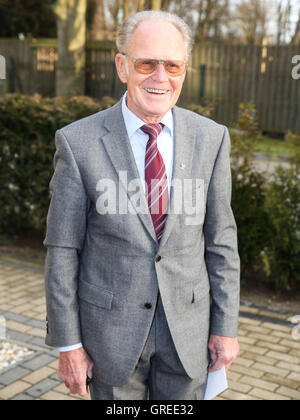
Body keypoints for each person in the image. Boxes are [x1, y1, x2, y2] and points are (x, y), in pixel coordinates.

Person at [43, 10, 240, 400]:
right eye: (147, 63)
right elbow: (63, 250)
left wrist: (226, 327)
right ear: (122, 66)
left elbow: (221, 241)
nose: (160, 77)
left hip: (189, 336)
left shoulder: (212, 139)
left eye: (173, 65)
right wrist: (68, 344)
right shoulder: (77, 143)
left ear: (185, 70)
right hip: (109, 340)